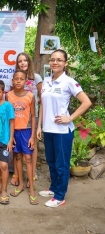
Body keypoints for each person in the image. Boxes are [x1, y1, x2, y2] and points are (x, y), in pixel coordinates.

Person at [37, 49, 91, 207]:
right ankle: (54, 188)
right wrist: (40, 126)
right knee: (52, 162)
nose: (55, 62)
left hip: (62, 131)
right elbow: (43, 105)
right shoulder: (46, 81)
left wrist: (70, 118)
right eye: (53, 59)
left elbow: (86, 102)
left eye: (59, 60)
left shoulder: (69, 82)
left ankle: (60, 196)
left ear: (65, 63)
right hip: (48, 129)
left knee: (62, 164)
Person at [10, 52, 42, 188]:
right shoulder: (16, 79)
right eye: (19, 61)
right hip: (18, 120)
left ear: (29, 62)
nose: (22, 63)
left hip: (32, 119)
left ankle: (31, 175)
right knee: (17, 151)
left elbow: (42, 100)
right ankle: (17, 174)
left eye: (25, 60)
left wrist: (39, 125)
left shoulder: (36, 78)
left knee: (31, 148)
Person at [7, 70, 38, 205]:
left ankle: (31, 188)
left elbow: (32, 116)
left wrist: (33, 136)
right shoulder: (8, 95)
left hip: (26, 131)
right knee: (18, 157)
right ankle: (20, 184)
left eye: (21, 79)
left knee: (28, 158)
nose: (18, 81)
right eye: (16, 79)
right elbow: (8, 116)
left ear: (26, 81)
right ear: (13, 81)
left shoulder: (30, 96)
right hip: (15, 131)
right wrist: (10, 135)